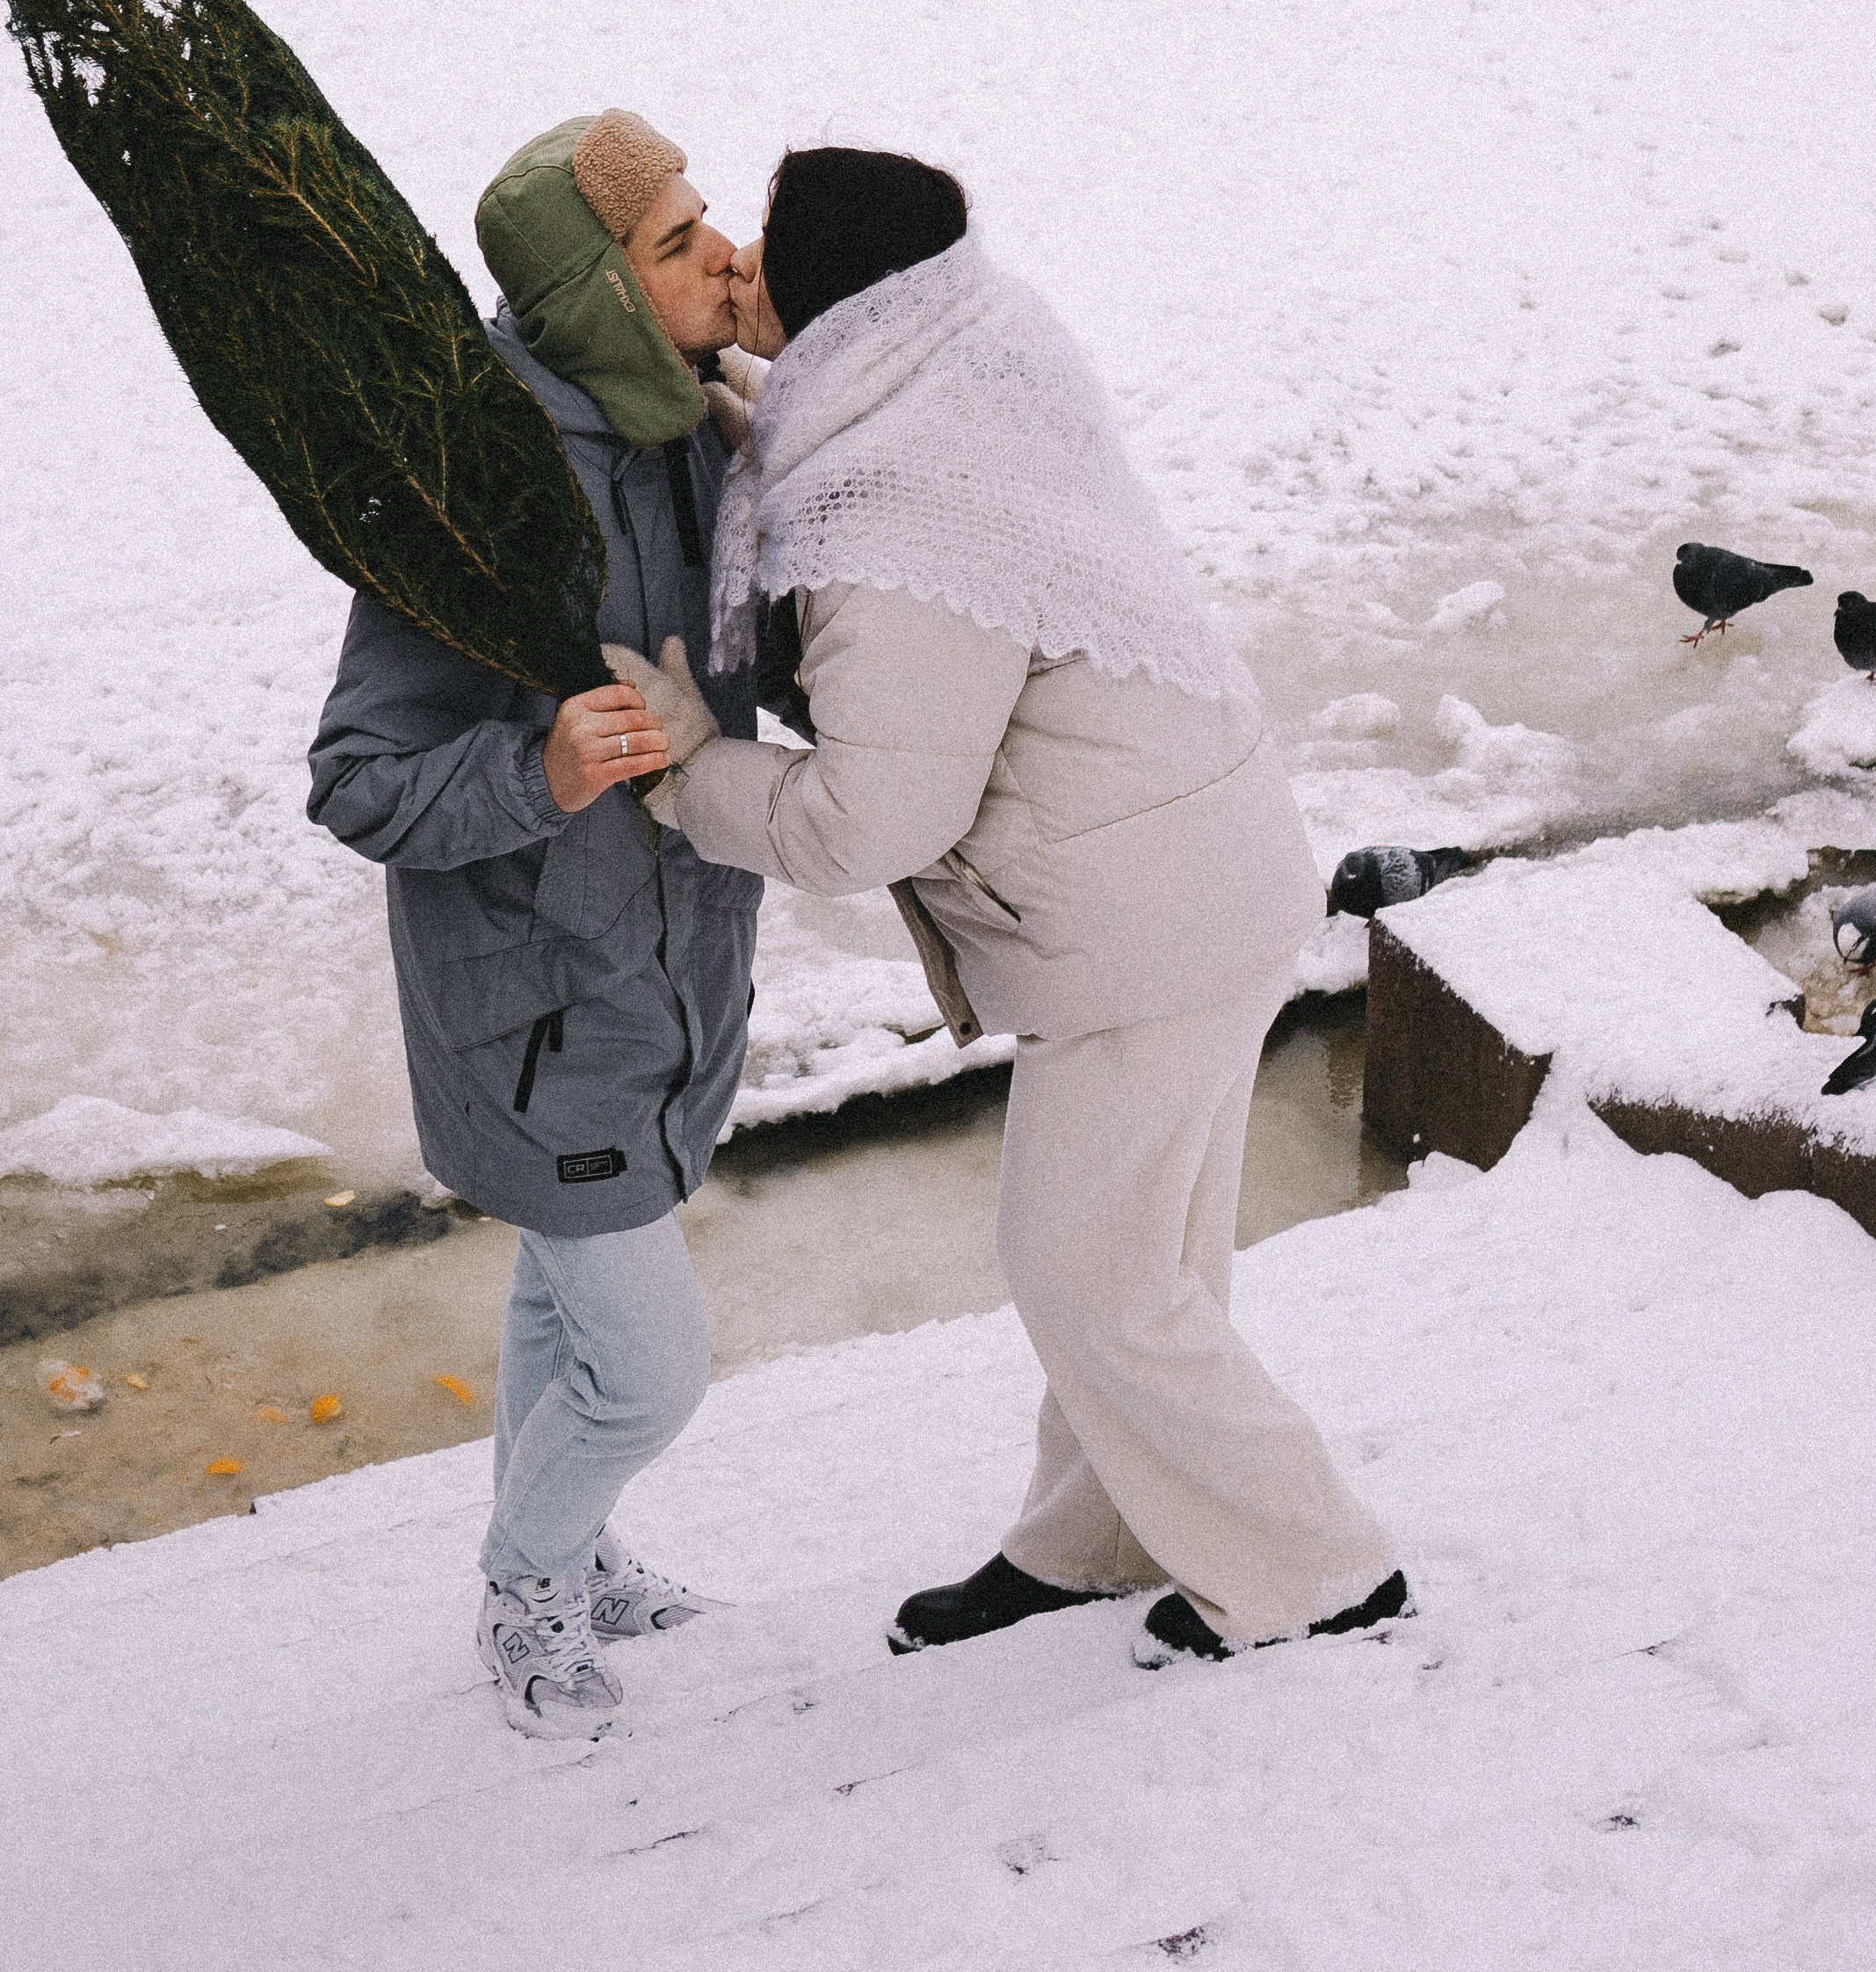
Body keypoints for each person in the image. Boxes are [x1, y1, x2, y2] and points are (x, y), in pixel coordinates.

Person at [628, 147, 1408, 1668]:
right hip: (1192, 852)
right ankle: (1101, 1537)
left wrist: (687, 767)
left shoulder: (898, 524)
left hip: (1142, 921)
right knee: (1142, 1262)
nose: (735, 271)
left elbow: (868, 818)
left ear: (848, 304)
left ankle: (1318, 1572)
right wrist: (729, 389)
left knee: (1087, 1272)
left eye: (764, 258)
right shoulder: (965, 341)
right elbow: (823, 438)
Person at [308, 108, 762, 1736]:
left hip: (668, 973)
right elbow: (357, 776)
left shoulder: (691, 426)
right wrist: (537, 765)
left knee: (554, 1303)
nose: (722, 251)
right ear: (590, 297)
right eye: (675, 241)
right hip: (540, 1010)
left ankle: (572, 1550)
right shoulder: (476, 489)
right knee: (646, 1371)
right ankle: (530, 1577)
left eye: (709, 217)